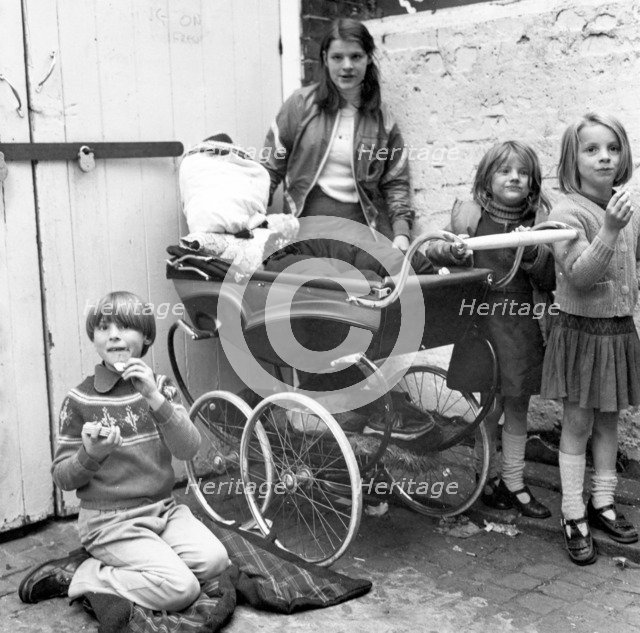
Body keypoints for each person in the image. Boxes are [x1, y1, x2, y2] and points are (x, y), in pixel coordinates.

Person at [19, 291, 229, 613]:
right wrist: (89, 455)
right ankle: (83, 574)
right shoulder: (80, 400)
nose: (113, 334)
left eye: (125, 326)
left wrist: (156, 399)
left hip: (163, 510)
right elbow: (63, 477)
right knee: (180, 588)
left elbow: (188, 448)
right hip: (110, 520)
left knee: (216, 562)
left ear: (145, 336)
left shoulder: (161, 385)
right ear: (94, 338)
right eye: (104, 328)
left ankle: (142, 562)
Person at [429, 141, 555, 519]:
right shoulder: (470, 216)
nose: (514, 177)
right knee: (488, 403)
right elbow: (430, 249)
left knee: (517, 402)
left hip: (519, 321)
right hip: (479, 319)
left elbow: (550, 276)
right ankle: (485, 478)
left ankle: (513, 482)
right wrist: (451, 252)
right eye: (504, 171)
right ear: (487, 179)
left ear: (532, 182)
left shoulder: (539, 221)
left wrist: (533, 253)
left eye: (523, 172)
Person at [541, 113, 639, 565]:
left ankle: (601, 502)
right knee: (578, 424)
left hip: (617, 330)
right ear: (572, 160)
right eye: (592, 149)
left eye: (613, 149)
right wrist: (611, 229)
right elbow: (580, 277)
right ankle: (572, 513)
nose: (604, 157)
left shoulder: (624, 205)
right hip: (581, 333)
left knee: (608, 421)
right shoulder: (566, 213)